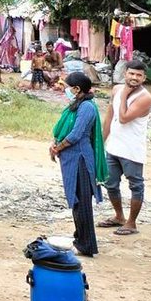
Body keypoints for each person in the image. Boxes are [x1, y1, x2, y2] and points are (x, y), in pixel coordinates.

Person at [50, 71, 107, 257]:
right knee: (76, 201)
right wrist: (55, 143)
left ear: (76, 89)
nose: (64, 89)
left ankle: (87, 244)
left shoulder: (87, 108)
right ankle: (79, 237)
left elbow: (75, 135)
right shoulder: (76, 105)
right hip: (71, 159)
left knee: (82, 202)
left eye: (66, 87)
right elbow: (62, 129)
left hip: (81, 159)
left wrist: (58, 148)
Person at [99, 59, 151, 235]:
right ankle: (119, 216)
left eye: (138, 75)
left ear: (144, 78)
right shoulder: (116, 89)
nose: (134, 77)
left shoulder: (145, 98)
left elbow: (123, 117)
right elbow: (110, 116)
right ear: (125, 73)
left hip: (132, 149)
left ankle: (131, 223)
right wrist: (101, 141)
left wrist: (123, 96)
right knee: (110, 183)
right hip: (114, 146)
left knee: (135, 185)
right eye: (131, 73)